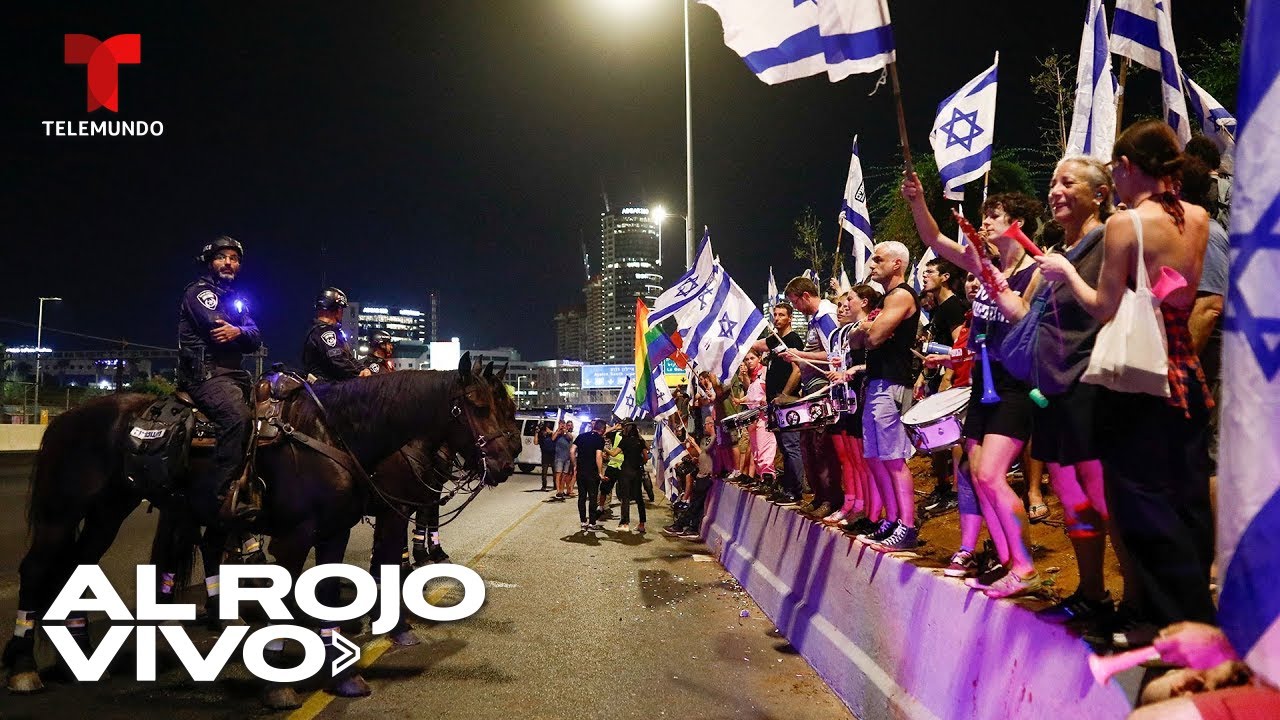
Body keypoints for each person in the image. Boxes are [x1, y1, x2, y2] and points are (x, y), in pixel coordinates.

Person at [1038, 119, 1215, 634]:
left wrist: (1066, 273)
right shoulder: (1199, 218)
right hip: (1182, 367)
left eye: (1117, 169)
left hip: (1136, 379)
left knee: (1140, 502)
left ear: (1128, 167)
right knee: (1186, 496)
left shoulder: (1125, 224)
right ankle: (1196, 616)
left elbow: (1104, 306)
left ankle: (1164, 621)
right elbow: (1180, 292)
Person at [959, 156, 1116, 612]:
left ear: (1099, 193)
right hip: (1052, 389)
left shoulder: (1109, 239)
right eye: (1052, 181)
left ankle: (1133, 604)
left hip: (1088, 386)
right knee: (1072, 500)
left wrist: (1061, 275)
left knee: (1102, 502)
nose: (1055, 189)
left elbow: (1107, 307)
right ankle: (1091, 594)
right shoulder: (1062, 255)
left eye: (1067, 182)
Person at [901, 176, 1044, 597]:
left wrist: (989, 274)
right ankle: (1007, 563)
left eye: (993, 217)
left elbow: (1019, 315)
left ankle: (1026, 565)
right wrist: (918, 201)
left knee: (991, 474)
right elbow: (933, 237)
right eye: (982, 218)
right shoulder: (981, 262)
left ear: (1017, 223)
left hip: (1014, 382)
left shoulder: (1036, 270)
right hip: (982, 383)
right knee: (978, 477)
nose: (984, 225)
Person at [178, 235, 263, 524]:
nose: (229, 263)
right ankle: (224, 495)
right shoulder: (199, 292)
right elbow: (216, 329)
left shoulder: (237, 300)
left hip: (235, 374)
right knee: (237, 416)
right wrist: (240, 332)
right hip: (205, 374)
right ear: (209, 262)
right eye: (222, 257)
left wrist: (238, 332)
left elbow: (254, 337)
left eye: (234, 258)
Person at [844, 242, 922, 552]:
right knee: (875, 458)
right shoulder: (887, 300)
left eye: (879, 259)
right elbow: (854, 338)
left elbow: (872, 338)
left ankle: (907, 525)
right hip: (876, 383)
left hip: (891, 384)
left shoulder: (901, 296)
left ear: (898, 265)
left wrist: (868, 328)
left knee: (893, 458)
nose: (872, 264)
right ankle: (891, 520)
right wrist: (867, 327)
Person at [781, 275, 844, 518]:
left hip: (823, 390)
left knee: (820, 447)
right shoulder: (815, 319)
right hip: (811, 389)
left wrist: (799, 354)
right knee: (808, 446)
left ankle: (830, 498)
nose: (795, 307)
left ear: (806, 296)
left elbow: (833, 354)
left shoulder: (826, 316)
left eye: (795, 302)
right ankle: (819, 496)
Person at [824, 287, 878, 528]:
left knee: (863, 459)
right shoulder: (840, 333)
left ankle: (868, 508)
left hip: (861, 396)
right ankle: (852, 502)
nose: (843, 307)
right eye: (841, 304)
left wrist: (852, 369)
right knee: (847, 457)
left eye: (848, 301)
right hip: (842, 398)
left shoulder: (870, 327)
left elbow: (871, 362)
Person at [917, 257, 968, 517]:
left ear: (945, 277)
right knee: (936, 436)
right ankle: (943, 487)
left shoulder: (953, 306)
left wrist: (948, 377)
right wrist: (923, 378)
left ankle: (959, 492)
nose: (924, 276)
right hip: (935, 379)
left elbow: (960, 345)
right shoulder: (938, 308)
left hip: (950, 381)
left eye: (930, 272)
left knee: (953, 435)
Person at [751, 302, 805, 505]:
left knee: (791, 445)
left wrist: (785, 394)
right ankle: (787, 487)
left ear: (790, 317)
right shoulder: (775, 340)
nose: (777, 318)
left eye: (782, 315)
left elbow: (798, 369)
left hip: (787, 403)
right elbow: (757, 345)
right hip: (774, 403)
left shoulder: (793, 340)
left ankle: (796, 491)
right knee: (783, 446)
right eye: (775, 314)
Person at [302, 287, 369, 382]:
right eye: (341, 309)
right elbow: (338, 360)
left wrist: (363, 369)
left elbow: (348, 358)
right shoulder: (326, 332)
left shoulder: (321, 331)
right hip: (326, 389)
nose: (342, 313)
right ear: (336, 309)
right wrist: (359, 375)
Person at [572, 419, 608, 531]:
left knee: (581, 497)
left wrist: (575, 465)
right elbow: (598, 456)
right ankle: (592, 523)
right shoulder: (599, 440)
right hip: (592, 473)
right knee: (593, 497)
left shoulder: (581, 436)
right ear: (602, 429)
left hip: (581, 471)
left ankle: (583, 522)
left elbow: (572, 451)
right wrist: (600, 473)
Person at [616, 422, 650, 532]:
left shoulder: (624, 441)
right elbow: (646, 457)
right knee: (639, 498)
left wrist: (604, 450)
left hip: (626, 470)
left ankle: (625, 523)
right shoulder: (640, 441)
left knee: (625, 497)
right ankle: (642, 524)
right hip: (637, 471)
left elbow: (613, 453)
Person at [537, 422, 556, 492]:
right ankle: (544, 486)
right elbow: (535, 442)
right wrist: (536, 433)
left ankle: (555, 485)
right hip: (545, 456)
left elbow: (555, 436)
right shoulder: (541, 437)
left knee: (554, 472)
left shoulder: (551, 435)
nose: (544, 432)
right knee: (544, 472)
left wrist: (550, 431)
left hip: (553, 455)